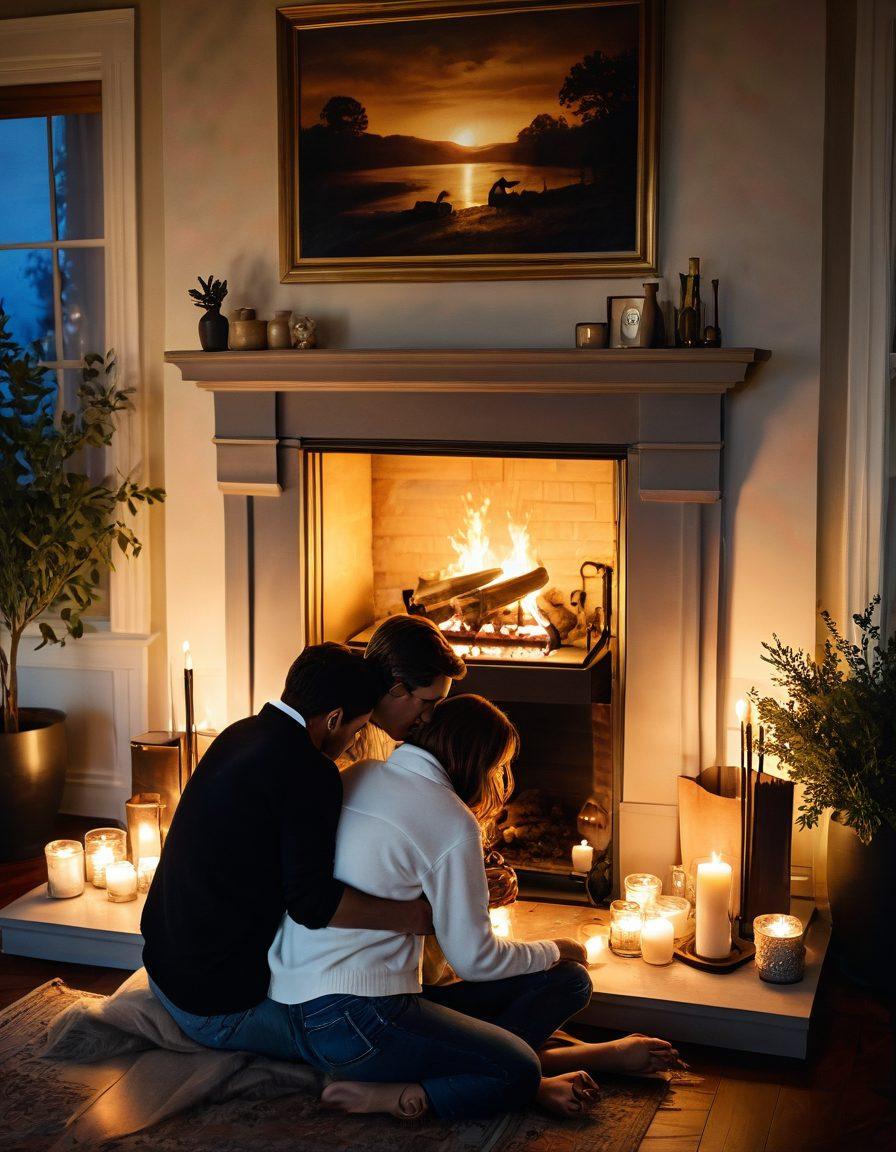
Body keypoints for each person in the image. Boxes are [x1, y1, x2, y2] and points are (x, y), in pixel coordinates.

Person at [267, 695, 605, 1121]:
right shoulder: (451, 819)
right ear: (478, 761)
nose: (501, 778)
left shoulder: (359, 774)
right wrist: (558, 947)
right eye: (499, 766)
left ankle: (475, 1060)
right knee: (520, 1068)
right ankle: (398, 1095)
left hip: (296, 1012)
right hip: (361, 1021)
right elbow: (477, 959)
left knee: (567, 984)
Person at [142, 643, 433, 1057]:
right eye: (356, 730)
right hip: (213, 1009)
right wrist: (416, 916)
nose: (353, 744)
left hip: (162, 971)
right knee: (369, 1031)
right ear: (333, 718)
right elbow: (312, 905)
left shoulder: (238, 731)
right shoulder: (311, 771)